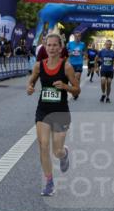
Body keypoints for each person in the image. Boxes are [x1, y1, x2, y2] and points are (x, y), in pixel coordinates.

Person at [25, 32, 80, 196]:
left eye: (55, 45)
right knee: (43, 145)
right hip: (43, 110)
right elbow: (31, 80)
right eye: (49, 45)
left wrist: (65, 86)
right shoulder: (38, 65)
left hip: (61, 112)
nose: (51, 48)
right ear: (45, 47)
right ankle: (49, 182)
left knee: (57, 151)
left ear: (60, 47)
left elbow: (77, 89)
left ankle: (64, 154)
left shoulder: (66, 66)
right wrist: (30, 87)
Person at [66, 34, 86, 99]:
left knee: (77, 77)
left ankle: (76, 90)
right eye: (76, 36)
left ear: (80, 37)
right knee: (72, 79)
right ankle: (75, 90)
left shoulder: (82, 44)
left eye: (79, 36)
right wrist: (70, 53)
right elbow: (66, 53)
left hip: (79, 63)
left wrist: (84, 54)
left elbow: (84, 52)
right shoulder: (69, 44)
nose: (77, 37)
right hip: (71, 63)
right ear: (74, 37)